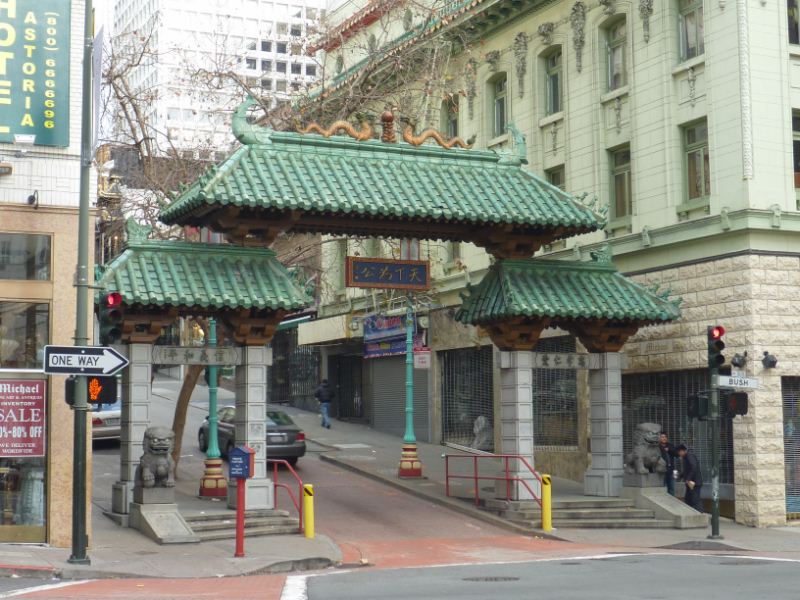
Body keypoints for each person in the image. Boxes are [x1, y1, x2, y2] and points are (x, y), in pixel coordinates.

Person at [677, 444, 703, 512]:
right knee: (688, 499)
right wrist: (680, 476)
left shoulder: (690, 456)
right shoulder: (686, 458)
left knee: (695, 500)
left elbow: (693, 467)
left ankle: (700, 514)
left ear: (682, 451)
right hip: (690, 483)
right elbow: (687, 470)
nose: (679, 454)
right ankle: (691, 513)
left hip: (694, 483)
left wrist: (688, 478)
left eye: (679, 452)